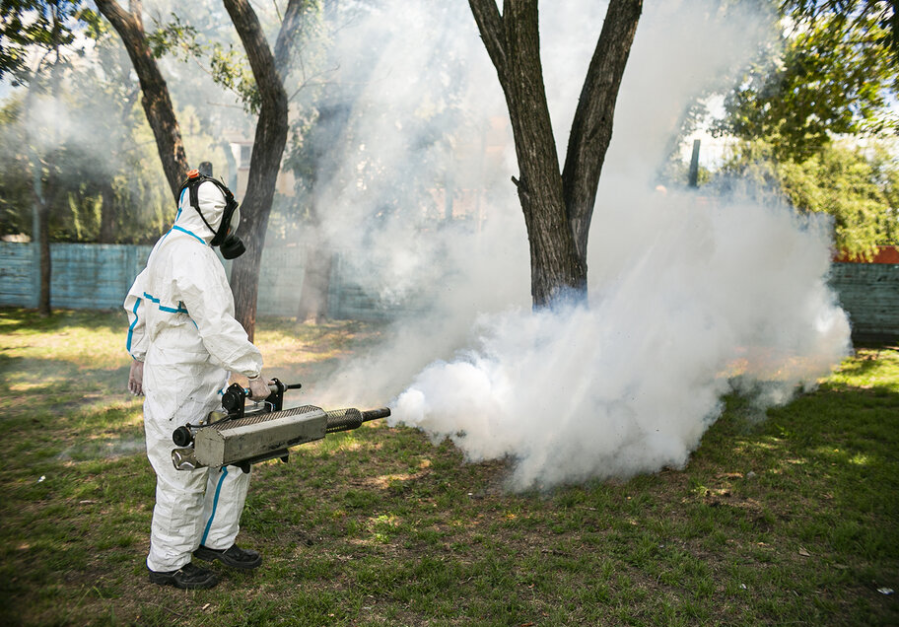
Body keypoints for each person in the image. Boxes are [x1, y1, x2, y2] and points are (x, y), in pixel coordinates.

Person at [124, 164, 270, 590]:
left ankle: (215, 540)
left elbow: (137, 302)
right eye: (227, 219)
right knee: (183, 473)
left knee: (230, 461)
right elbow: (218, 326)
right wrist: (252, 370)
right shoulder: (192, 256)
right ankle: (167, 563)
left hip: (199, 381)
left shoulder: (170, 245)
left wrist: (138, 354)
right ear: (214, 217)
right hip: (180, 386)